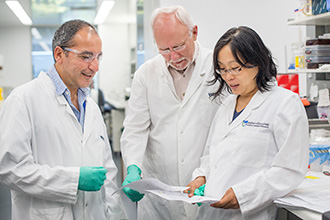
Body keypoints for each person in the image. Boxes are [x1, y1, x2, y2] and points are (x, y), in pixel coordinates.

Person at [0, 19, 126, 220]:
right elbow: (10, 168)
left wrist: (118, 215)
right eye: (86, 57)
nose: (95, 67)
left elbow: (108, 172)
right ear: (59, 54)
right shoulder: (23, 99)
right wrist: (73, 180)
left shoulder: (91, 106)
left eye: (98, 57)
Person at [185, 26, 309, 219]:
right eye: (222, 69)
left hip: (249, 213)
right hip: (210, 212)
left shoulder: (285, 104)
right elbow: (212, 155)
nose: (228, 77)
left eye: (235, 68)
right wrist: (201, 176)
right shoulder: (226, 105)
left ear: (258, 62)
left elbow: (290, 170)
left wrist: (244, 194)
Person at [120, 5, 220, 220]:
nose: (173, 56)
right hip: (159, 195)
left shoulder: (218, 68)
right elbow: (135, 129)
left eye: (178, 46)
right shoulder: (145, 74)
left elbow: (226, 129)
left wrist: (206, 172)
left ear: (194, 32)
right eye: (164, 50)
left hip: (206, 186)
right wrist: (133, 168)